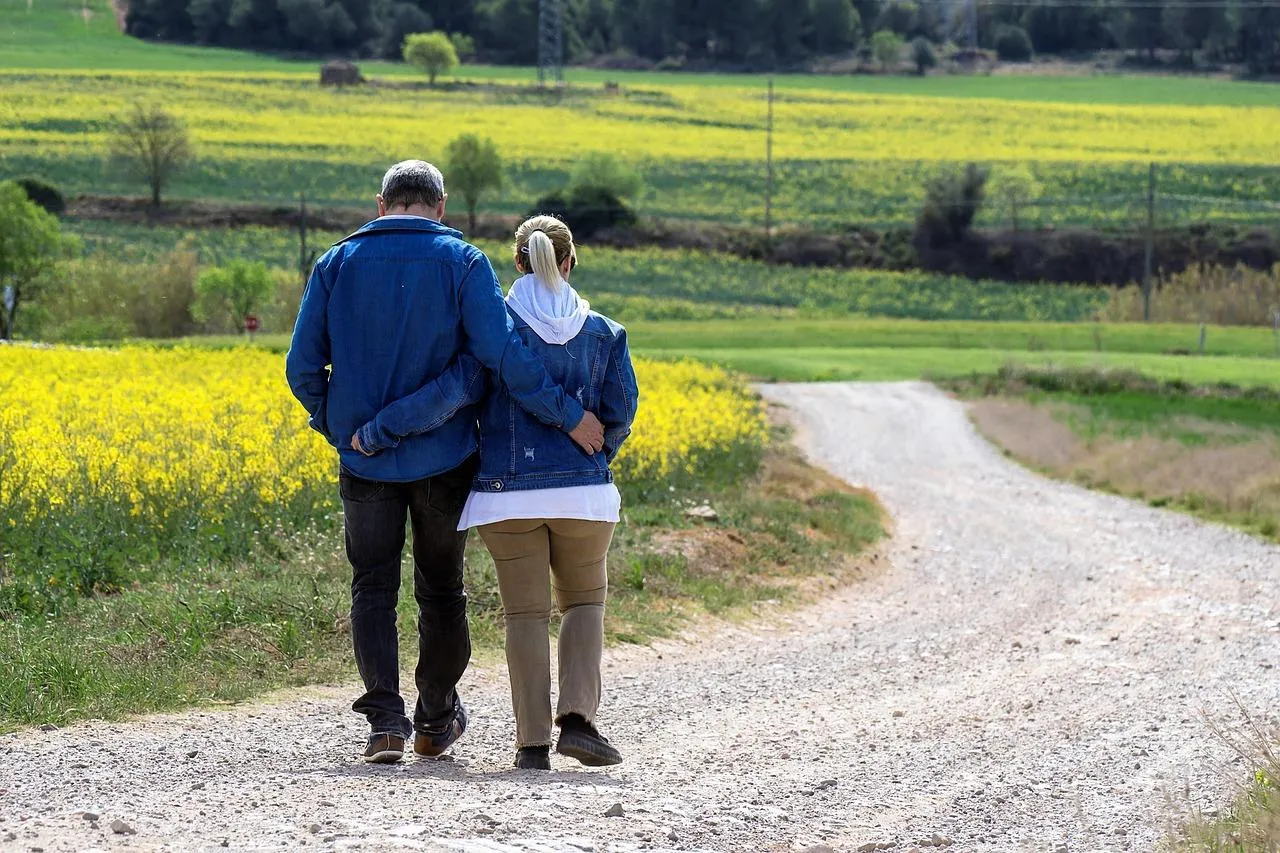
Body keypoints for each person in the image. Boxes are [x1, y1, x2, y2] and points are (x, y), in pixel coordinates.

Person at [285, 162, 606, 765]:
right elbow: (498, 356)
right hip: (445, 460)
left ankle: (384, 721)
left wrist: (343, 431)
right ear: (442, 204)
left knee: (371, 587)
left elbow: (302, 368)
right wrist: (566, 415)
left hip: (364, 464)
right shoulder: (464, 264)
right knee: (441, 590)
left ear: (381, 203)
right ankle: (434, 719)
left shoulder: (334, 263)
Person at [358, 215, 638, 770]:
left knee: (525, 616)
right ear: (570, 262)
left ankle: (532, 744)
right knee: (583, 602)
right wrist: (595, 459)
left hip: (505, 499)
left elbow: (449, 394)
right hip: (584, 497)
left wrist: (378, 430)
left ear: (516, 263)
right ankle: (579, 721)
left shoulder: (495, 333)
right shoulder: (605, 332)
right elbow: (620, 413)